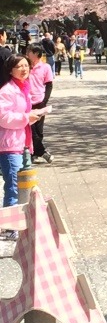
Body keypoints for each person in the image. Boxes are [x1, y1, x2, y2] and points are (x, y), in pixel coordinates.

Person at [0, 55, 40, 238]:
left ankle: (21, 222)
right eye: (19, 66)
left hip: (22, 142)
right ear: (10, 70)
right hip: (9, 145)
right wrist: (26, 118)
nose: (24, 69)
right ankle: (9, 228)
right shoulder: (7, 91)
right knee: (13, 187)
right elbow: (3, 117)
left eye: (26, 65)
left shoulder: (23, 88)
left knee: (25, 186)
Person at [25, 44, 54, 164]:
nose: (27, 53)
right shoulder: (25, 66)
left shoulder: (45, 67)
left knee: (39, 130)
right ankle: (40, 152)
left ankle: (35, 152)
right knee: (31, 129)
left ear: (36, 53)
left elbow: (49, 84)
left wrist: (45, 100)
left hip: (40, 101)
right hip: (27, 102)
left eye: (29, 51)